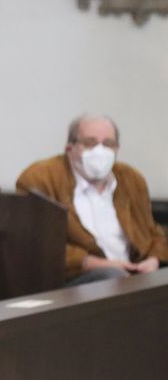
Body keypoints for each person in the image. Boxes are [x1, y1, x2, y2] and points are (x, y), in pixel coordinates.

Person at [16, 114, 166, 285]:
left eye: (108, 144)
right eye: (90, 143)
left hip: (133, 273)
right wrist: (101, 264)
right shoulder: (40, 178)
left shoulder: (131, 179)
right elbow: (38, 245)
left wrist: (153, 261)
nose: (100, 151)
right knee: (111, 276)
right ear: (69, 147)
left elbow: (153, 232)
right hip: (75, 279)